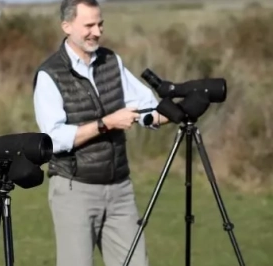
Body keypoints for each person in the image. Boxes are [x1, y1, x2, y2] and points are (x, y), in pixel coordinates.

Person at [32, 0, 170, 265]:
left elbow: (145, 107)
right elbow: (54, 139)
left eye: (100, 24)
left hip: (120, 188)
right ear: (67, 26)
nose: (97, 31)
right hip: (75, 189)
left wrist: (179, 111)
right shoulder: (50, 75)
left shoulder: (111, 60)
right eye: (89, 25)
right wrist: (105, 123)